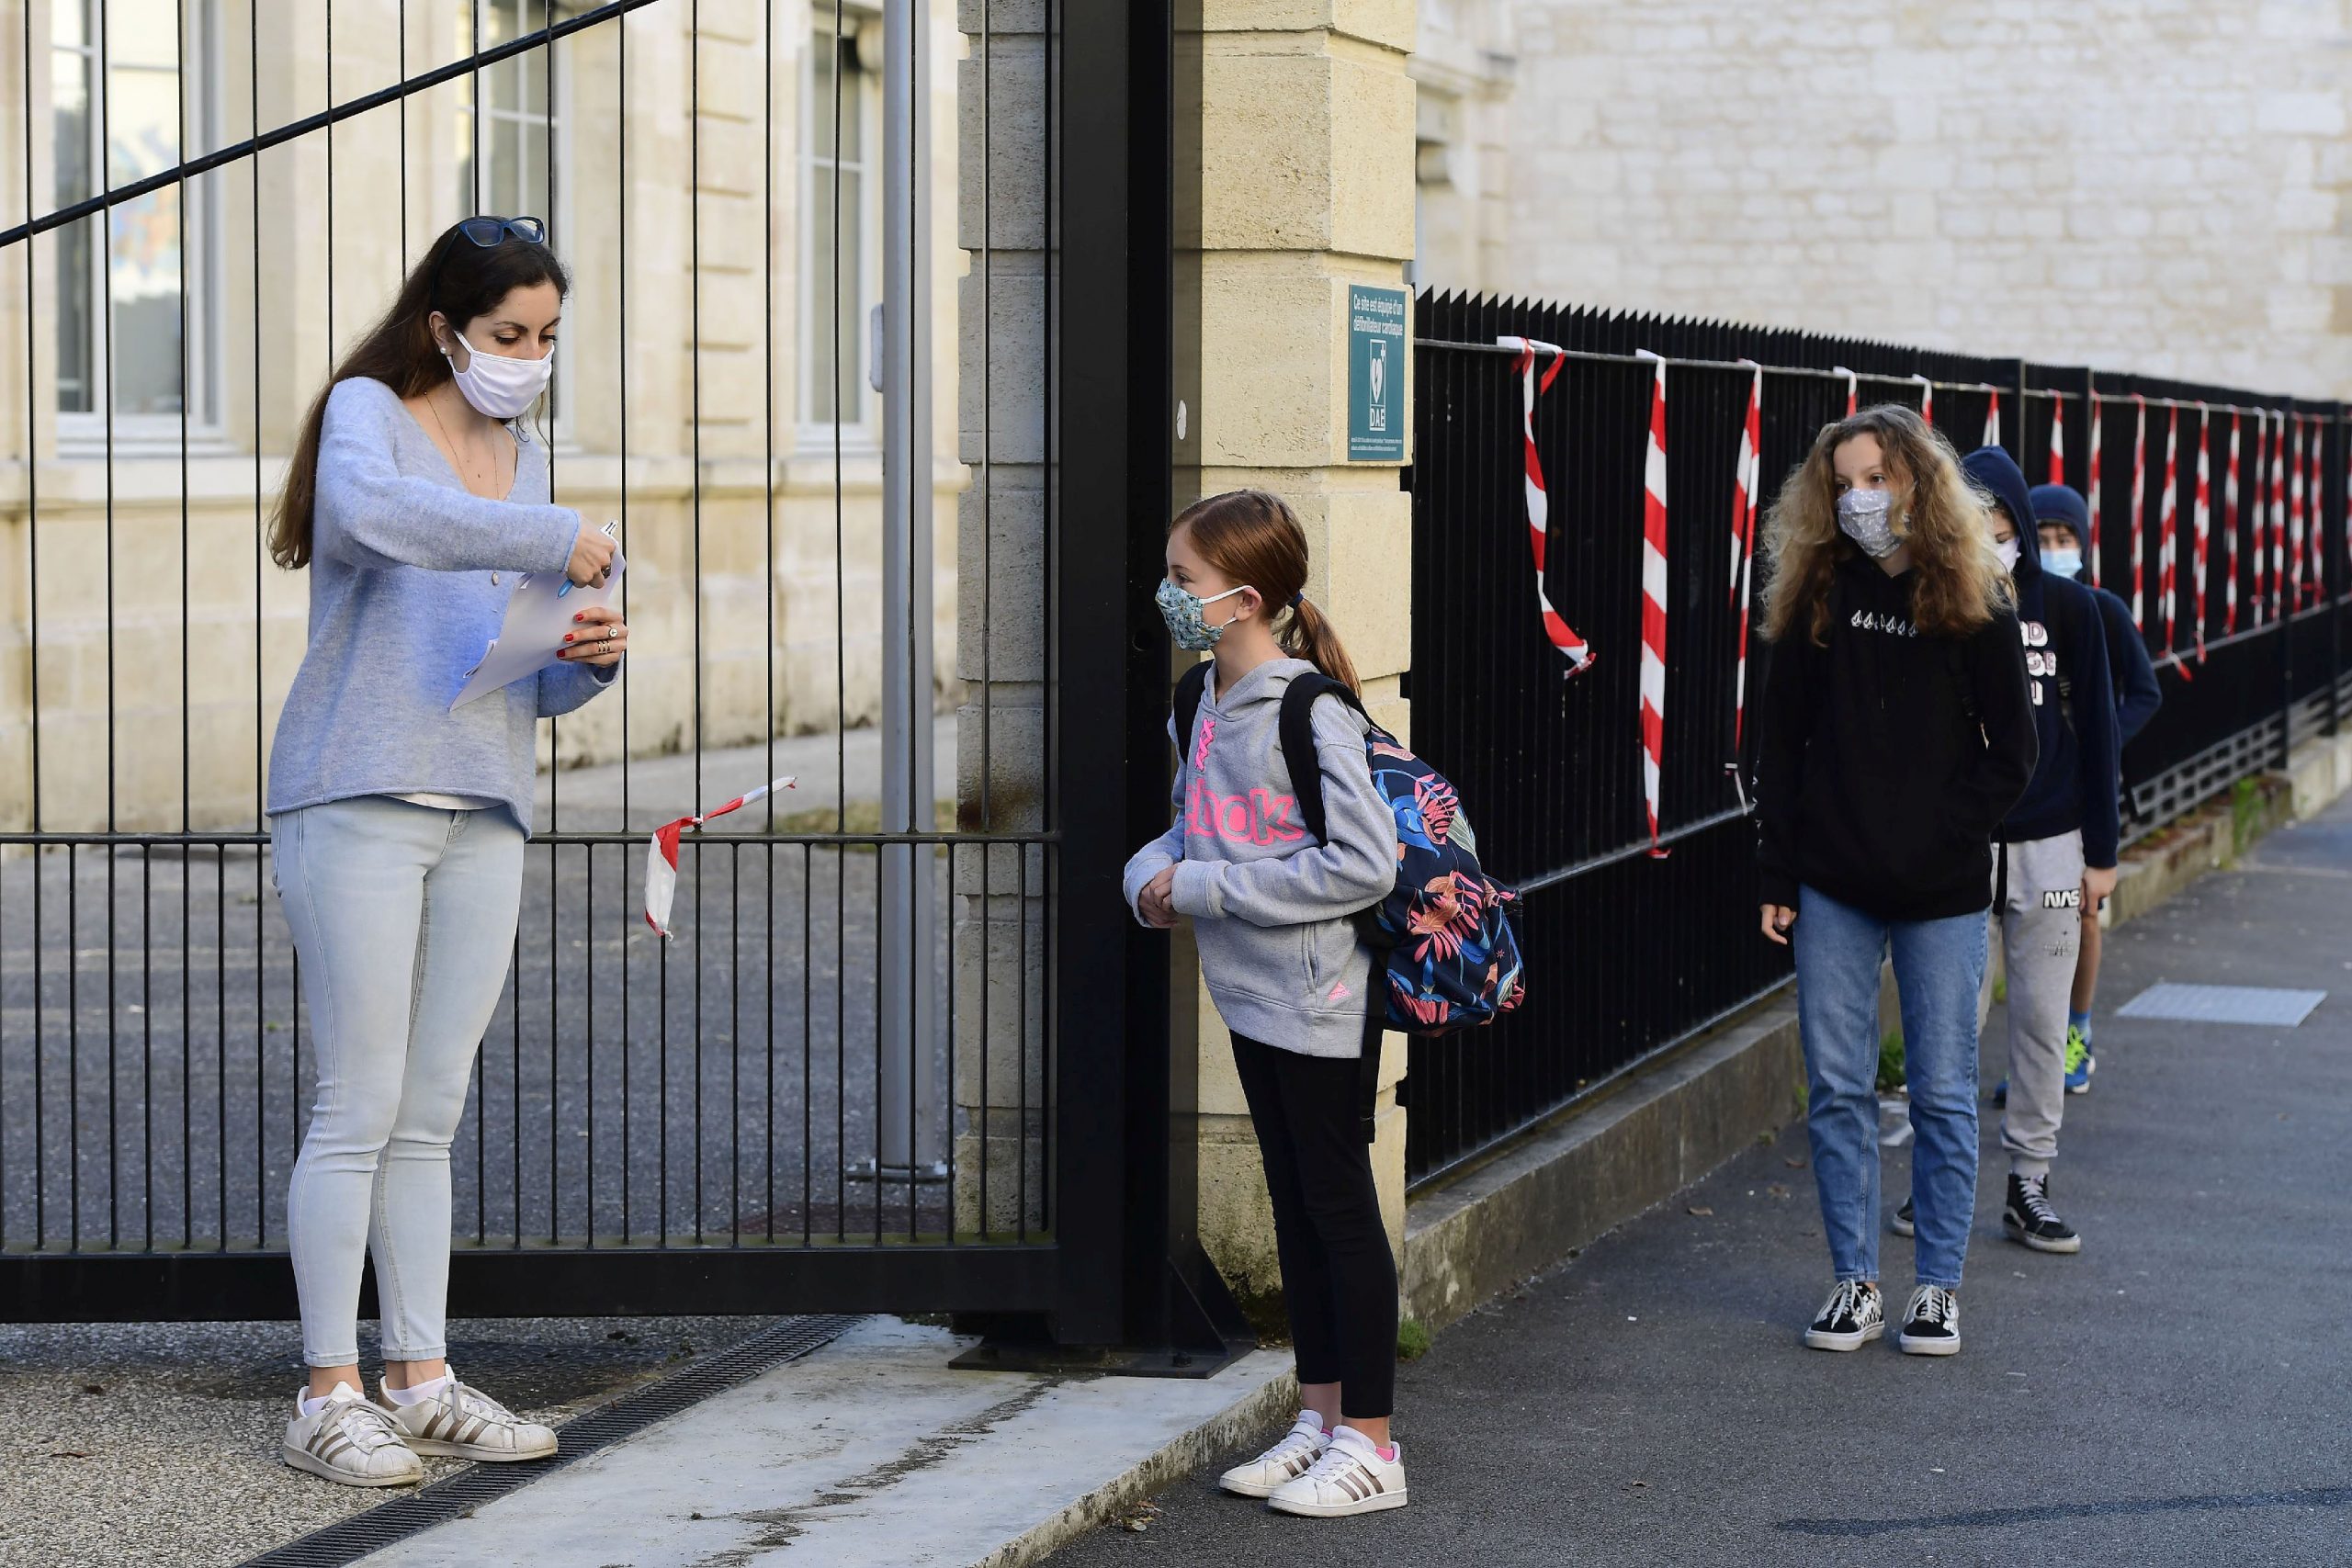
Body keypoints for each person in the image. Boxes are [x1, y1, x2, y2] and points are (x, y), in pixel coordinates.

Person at [264, 216, 626, 1486]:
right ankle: (326, 1391)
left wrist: (589, 658)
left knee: (429, 1111)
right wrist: (548, 538)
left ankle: (420, 1376)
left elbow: (514, 677)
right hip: (355, 787)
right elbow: (380, 519)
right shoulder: (369, 409)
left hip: (483, 798)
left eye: (545, 338)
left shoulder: (523, 458)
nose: (528, 358)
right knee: (356, 1102)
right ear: (445, 326)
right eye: (507, 335)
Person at [1122, 490, 1407, 1517]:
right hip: (1250, 995)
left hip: (1322, 998)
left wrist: (1201, 888)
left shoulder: (1308, 710)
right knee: (1293, 1210)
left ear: (1243, 599)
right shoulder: (1198, 700)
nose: (1169, 594)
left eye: (1183, 581)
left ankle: (1372, 1444)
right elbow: (1193, 829)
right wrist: (1147, 875)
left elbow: (1363, 865)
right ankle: (1320, 1419)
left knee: (1337, 1213)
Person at [1753, 406, 2035, 1359]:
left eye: (1875, 478)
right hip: (1833, 881)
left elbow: (2014, 754)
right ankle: (1853, 1281)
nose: (1858, 498)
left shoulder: (1973, 594)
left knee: (1942, 1091)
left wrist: (1943, 833)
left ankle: (1938, 1289)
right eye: (1843, 482)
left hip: (1941, 889)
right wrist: (1780, 866)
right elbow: (1779, 742)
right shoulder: (1818, 589)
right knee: (1834, 1087)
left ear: (1916, 479)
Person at [1918, 448, 2118, 1258]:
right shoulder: (1939, 603)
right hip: (1964, 845)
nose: (1996, 538)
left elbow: (2100, 731)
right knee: (1950, 1020)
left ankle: (2029, 1178)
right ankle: (1937, 1178)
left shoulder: (2070, 608)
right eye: (1980, 524)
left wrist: (2099, 855)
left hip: (2052, 848)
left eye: (2007, 526)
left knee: (2039, 1015)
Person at [2029, 482, 2162, 1089]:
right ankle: (2036, 1057)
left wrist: (2103, 737)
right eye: (2044, 537)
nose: (2055, 548)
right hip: (2031, 796)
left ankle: (2076, 1038)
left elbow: (2145, 690)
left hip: (2088, 799)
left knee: (2082, 916)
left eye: (2066, 538)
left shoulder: (2102, 609)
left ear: (2083, 542)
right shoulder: (2021, 610)